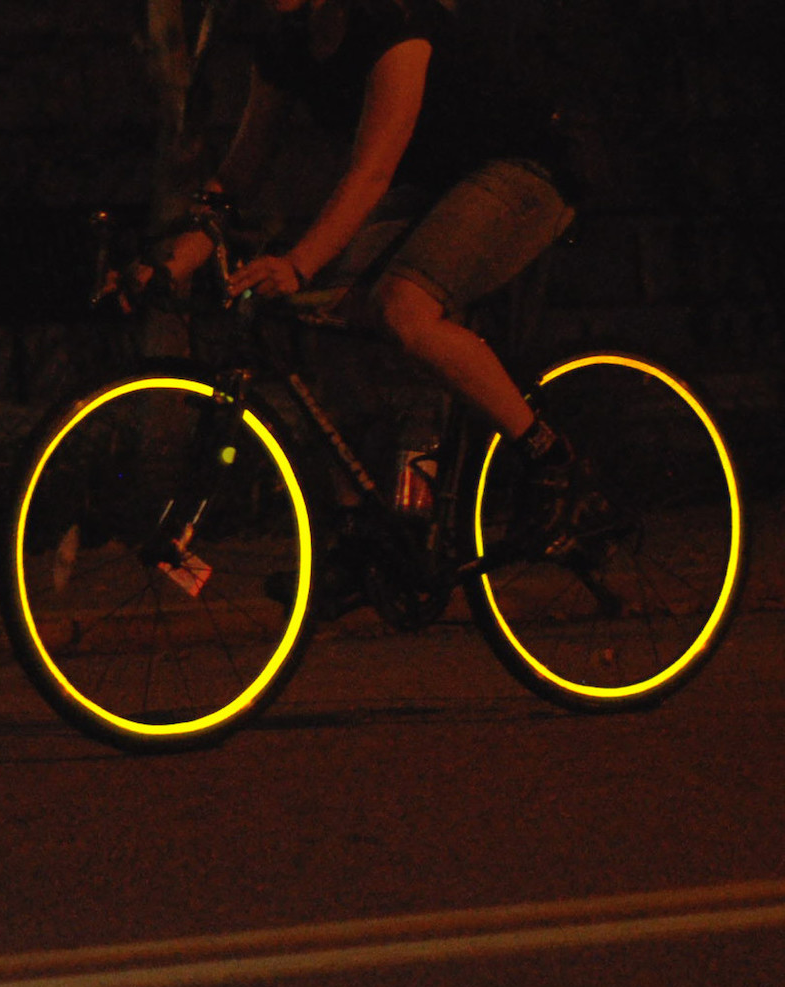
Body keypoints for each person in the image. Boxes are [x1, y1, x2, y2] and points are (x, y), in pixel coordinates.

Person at [123, 0, 585, 569]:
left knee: (403, 306)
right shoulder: (286, 44)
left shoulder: (394, 22)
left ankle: (549, 458)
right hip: (438, 185)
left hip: (523, 168)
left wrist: (298, 262)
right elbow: (237, 178)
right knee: (319, 317)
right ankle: (360, 530)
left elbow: (372, 172)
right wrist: (170, 265)